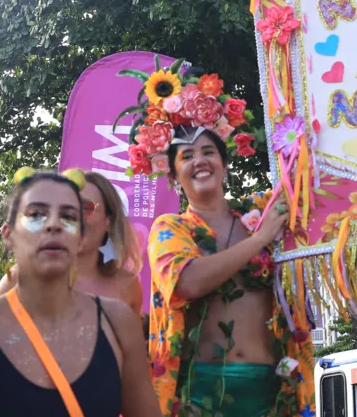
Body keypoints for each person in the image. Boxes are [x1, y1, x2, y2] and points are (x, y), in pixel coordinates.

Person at [123, 63, 315, 417]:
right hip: (200, 393)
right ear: (173, 174)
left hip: (274, 389)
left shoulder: (261, 211)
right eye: (187, 156)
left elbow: (310, 187)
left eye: (208, 152)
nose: (200, 161)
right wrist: (259, 241)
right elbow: (186, 283)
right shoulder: (169, 228)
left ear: (225, 166)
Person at [0, 168, 159, 417]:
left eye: (69, 216)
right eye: (36, 214)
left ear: (80, 237)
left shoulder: (119, 323)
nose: (53, 224)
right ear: (9, 235)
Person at [0, 170, 143, 315]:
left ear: (108, 222)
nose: (74, 219)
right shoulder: (17, 280)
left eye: (85, 208)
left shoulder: (127, 286)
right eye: (66, 211)